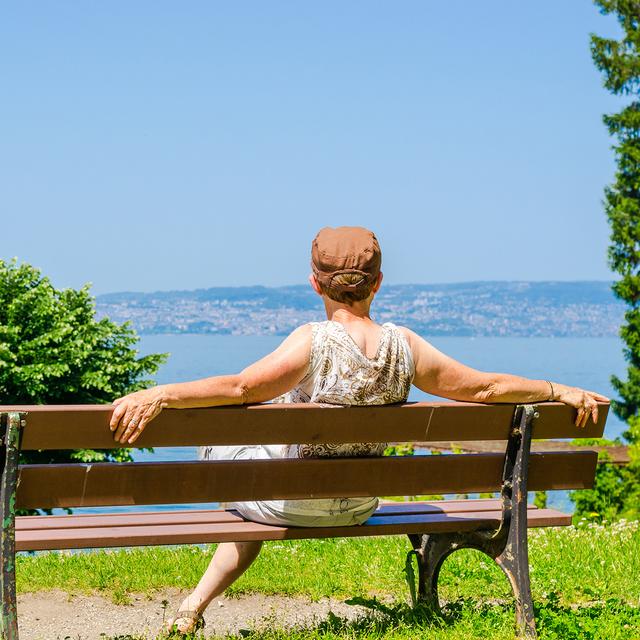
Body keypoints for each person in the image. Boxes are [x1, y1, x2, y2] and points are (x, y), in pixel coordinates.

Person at [109, 226, 609, 635]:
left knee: (228, 454)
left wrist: (161, 394)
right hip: (360, 504)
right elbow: (484, 388)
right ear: (378, 282)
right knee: (259, 464)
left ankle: (194, 605)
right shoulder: (405, 345)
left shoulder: (312, 341)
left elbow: (241, 386)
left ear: (315, 283)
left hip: (291, 503)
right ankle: (193, 603)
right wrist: (553, 387)